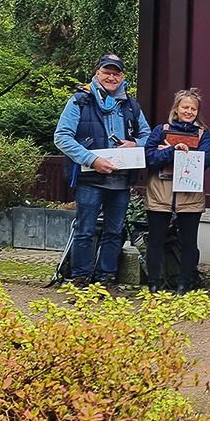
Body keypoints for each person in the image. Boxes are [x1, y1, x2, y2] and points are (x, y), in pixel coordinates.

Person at [54, 53, 151, 289]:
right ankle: (80, 279)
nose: (111, 77)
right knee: (85, 230)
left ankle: (105, 279)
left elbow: (148, 136)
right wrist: (92, 159)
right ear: (97, 73)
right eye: (106, 72)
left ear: (122, 77)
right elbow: (61, 137)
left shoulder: (131, 104)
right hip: (90, 178)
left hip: (121, 181)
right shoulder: (80, 100)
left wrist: (135, 143)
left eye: (116, 73)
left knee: (114, 232)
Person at [143, 88, 210, 294]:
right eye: (185, 107)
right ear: (176, 108)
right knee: (155, 240)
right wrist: (171, 150)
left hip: (190, 196)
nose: (189, 111)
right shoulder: (160, 130)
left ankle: (184, 283)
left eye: (193, 108)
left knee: (189, 242)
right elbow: (150, 158)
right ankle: (153, 284)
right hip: (160, 193)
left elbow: (206, 160)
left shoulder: (203, 133)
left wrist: (184, 151)